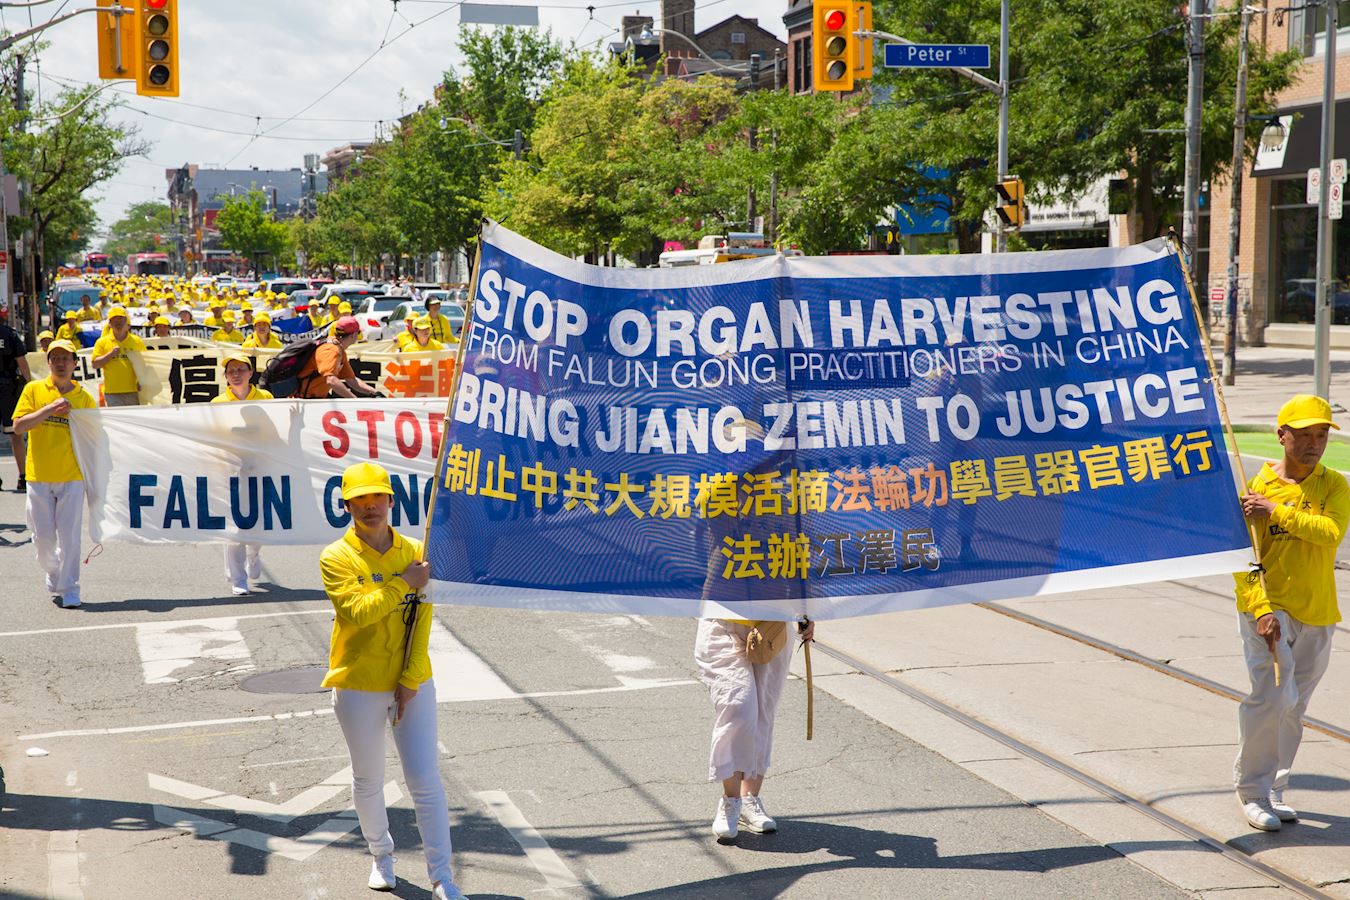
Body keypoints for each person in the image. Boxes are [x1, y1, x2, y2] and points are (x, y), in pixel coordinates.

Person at [320, 462, 465, 899]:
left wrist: (411, 677)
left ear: (390, 500)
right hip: (358, 683)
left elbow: (423, 621)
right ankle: (381, 855)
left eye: (377, 498)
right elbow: (357, 613)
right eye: (360, 500)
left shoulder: (416, 550)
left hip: (412, 683)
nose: (370, 507)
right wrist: (404, 582)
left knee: (425, 779)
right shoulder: (335, 557)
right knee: (368, 778)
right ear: (346, 506)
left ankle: (442, 877)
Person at [1233, 394, 1349, 831]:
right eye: (1303, 435)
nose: (1314, 444)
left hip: (1318, 610)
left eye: (1321, 435)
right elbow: (1243, 558)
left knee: (1294, 706)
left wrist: (1275, 511)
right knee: (1272, 697)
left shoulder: (1333, 485)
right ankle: (1252, 790)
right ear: (1281, 436)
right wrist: (1261, 610)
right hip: (1270, 609)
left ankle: (1275, 786)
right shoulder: (1255, 487)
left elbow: (1330, 532)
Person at [13, 340, 97, 608]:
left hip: (72, 476)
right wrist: (50, 409)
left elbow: (95, 436)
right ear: (48, 363)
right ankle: (53, 569)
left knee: (70, 537)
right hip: (39, 475)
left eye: (65, 358)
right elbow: (19, 427)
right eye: (55, 358)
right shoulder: (34, 389)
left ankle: (71, 587)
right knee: (43, 539)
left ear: (74, 363)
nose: (60, 363)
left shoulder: (84, 397)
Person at [213, 352, 272, 595]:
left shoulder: (266, 398)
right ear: (226, 376)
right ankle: (239, 579)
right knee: (233, 527)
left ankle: (253, 554)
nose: (235, 374)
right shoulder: (217, 403)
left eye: (240, 370)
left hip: (260, 468)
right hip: (230, 470)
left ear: (251, 373)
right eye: (231, 371)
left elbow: (274, 431)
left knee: (259, 525)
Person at [297, 316, 379, 399]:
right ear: (353, 335)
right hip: (304, 401)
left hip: (315, 399)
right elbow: (331, 380)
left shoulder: (339, 349)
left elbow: (352, 380)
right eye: (358, 333)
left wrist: (375, 392)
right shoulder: (331, 350)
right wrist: (354, 400)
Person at [0, 306, 34, 492]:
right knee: (16, 434)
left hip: (8, 388)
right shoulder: (10, 335)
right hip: (9, 390)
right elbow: (23, 364)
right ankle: (23, 477)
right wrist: (30, 386)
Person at [91, 306, 146, 407]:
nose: (118, 322)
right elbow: (95, 364)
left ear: (126, 321)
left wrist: (141, 380)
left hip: (134, 390)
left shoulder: (137, 341)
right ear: (110, 323)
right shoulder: (102, 342)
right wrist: (110, 354)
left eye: (121, 319)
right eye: (115, 320)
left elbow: (145, 363)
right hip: (112, 393)